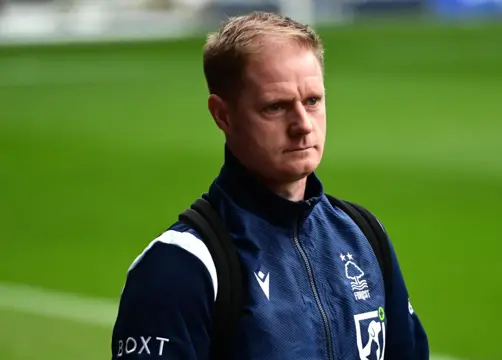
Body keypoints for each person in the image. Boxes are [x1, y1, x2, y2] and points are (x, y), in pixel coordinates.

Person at [111, 11, 429, 360]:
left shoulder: (364, 236)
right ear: (223, 115)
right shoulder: (180, 267)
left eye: (312, 101)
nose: (303, 125)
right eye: (276, 107)